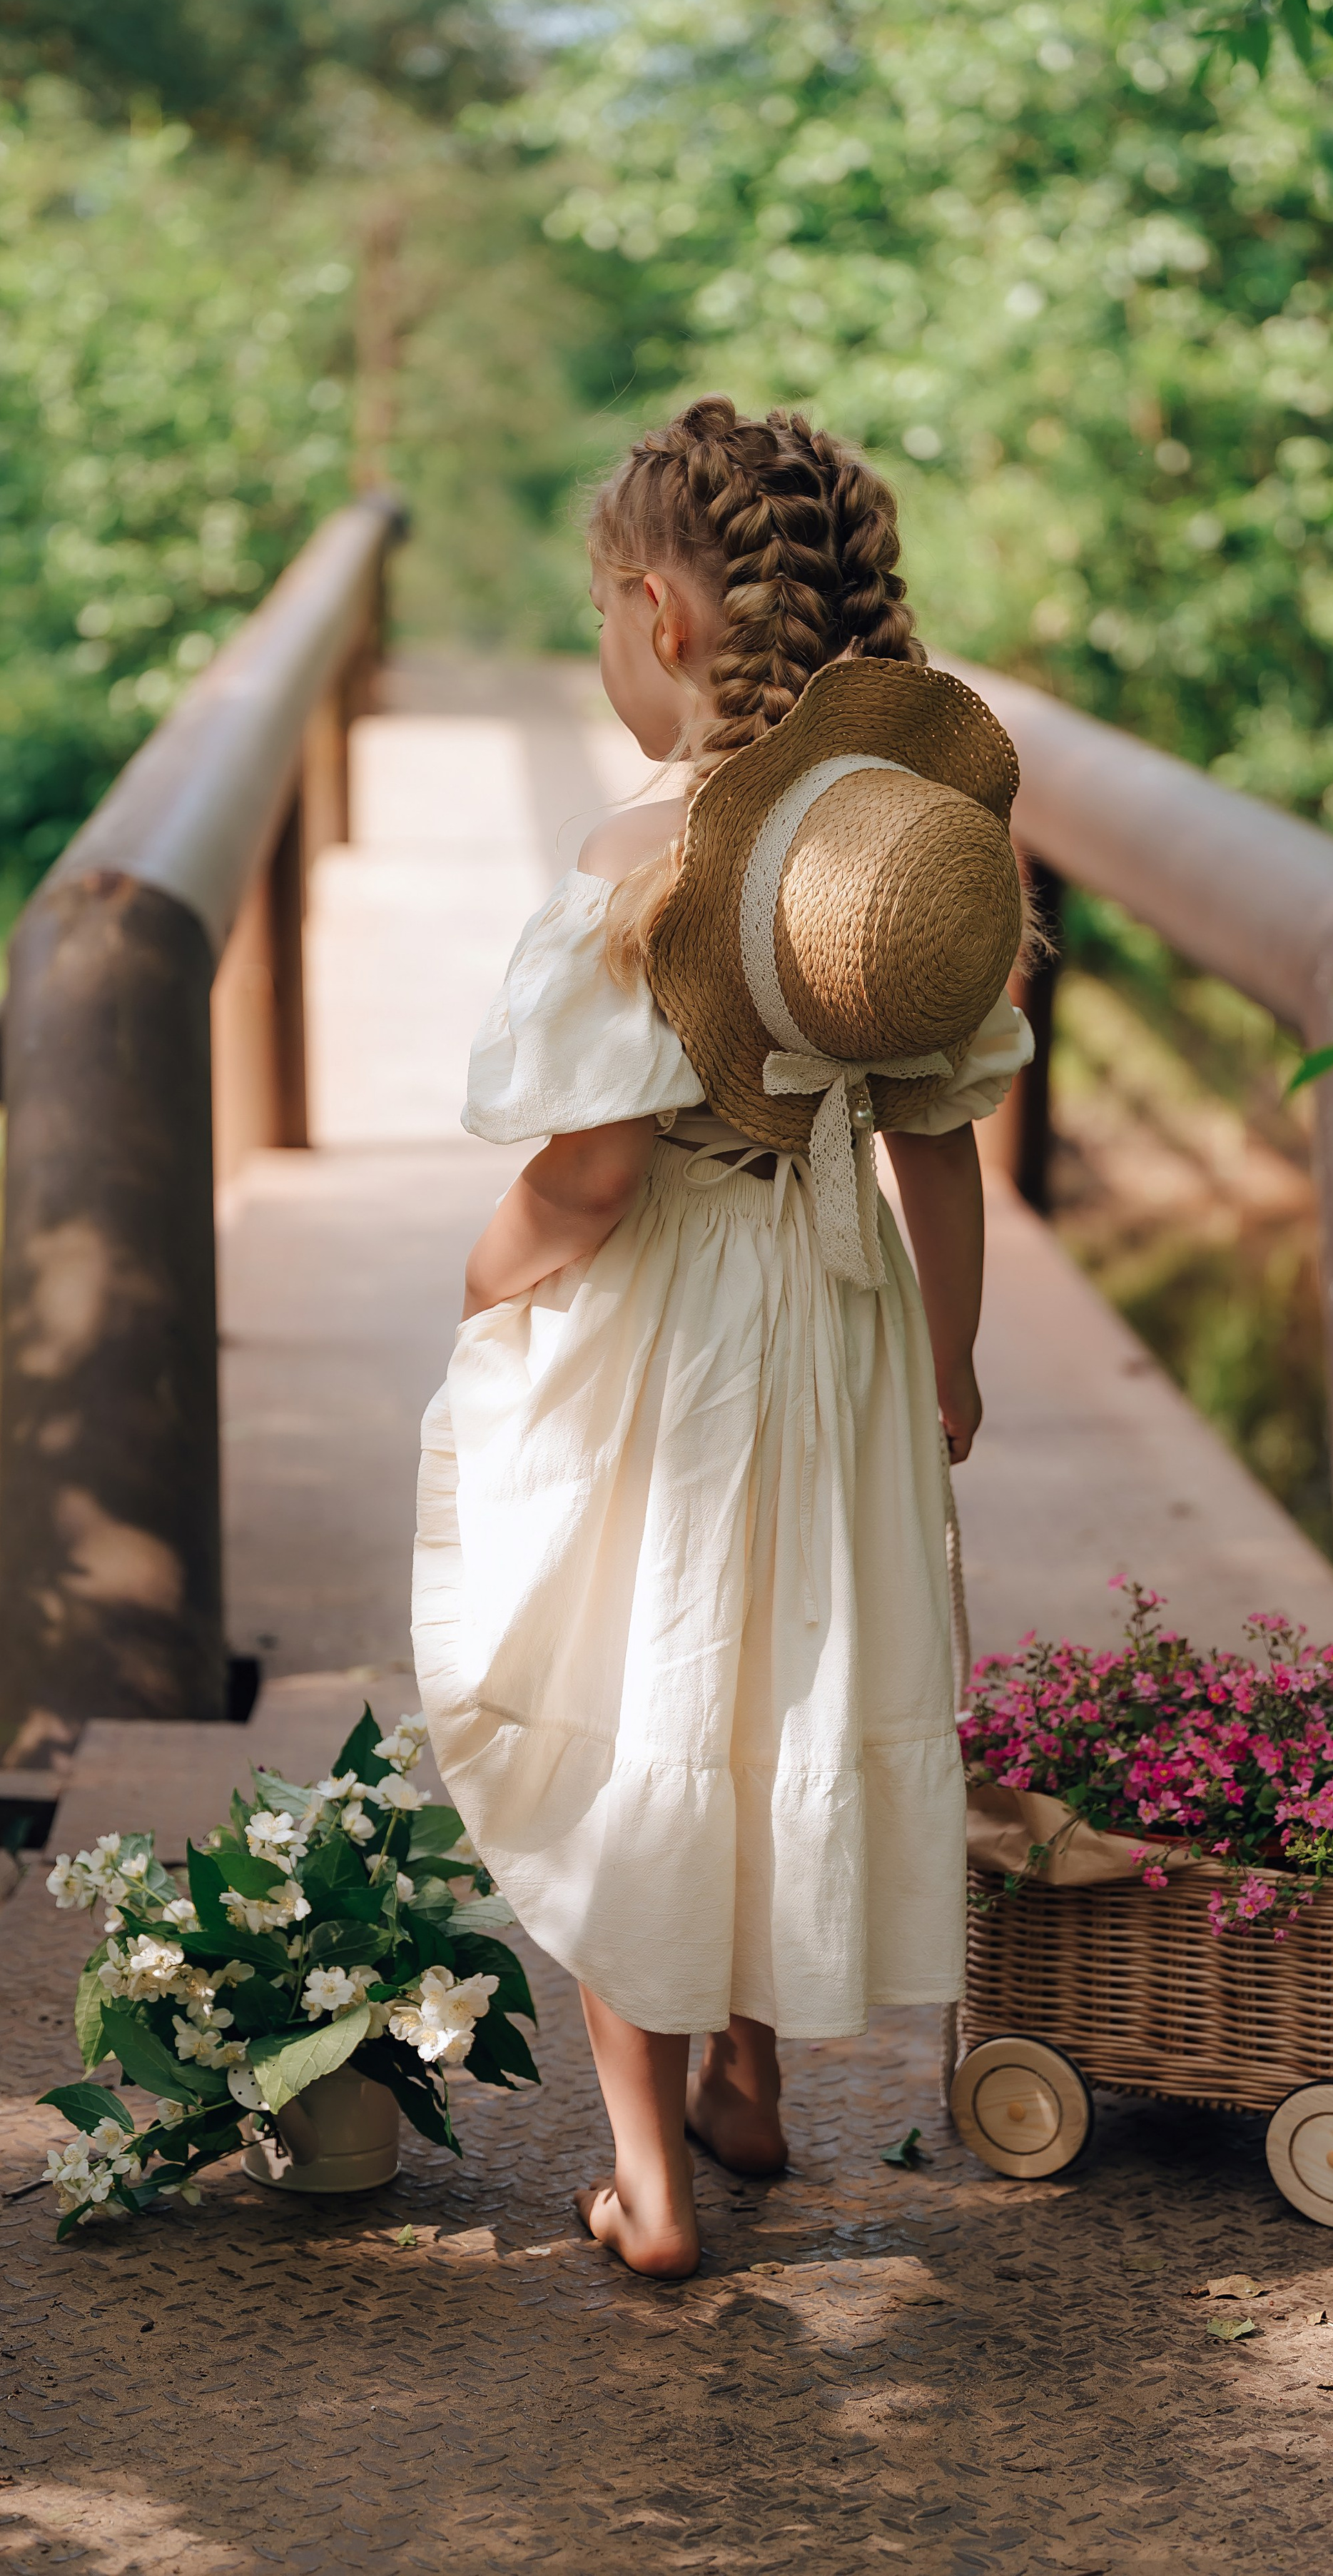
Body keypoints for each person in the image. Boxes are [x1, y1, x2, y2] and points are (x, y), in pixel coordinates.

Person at [412, 396, 1034, 2276]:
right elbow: (941, 1148)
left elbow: (593, 1174)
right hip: (839, 1322)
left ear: (661, 617)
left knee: (644, 1698)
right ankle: (750, 2087)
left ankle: (651, 2184)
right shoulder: (882, 860)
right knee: (769, 1682)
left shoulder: (644, 856)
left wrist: (487, 1277)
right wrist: (948, 1364)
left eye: (601, 613)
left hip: (668, 1334)